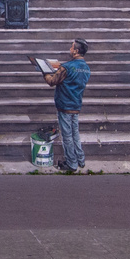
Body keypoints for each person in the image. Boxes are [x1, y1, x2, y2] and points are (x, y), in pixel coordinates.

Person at [41, 38, 92, 171]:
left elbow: (52, 81)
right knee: (75, 134)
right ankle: (81, 160)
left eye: (71, 47)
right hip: (76, 105)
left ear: (76, 51)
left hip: (64, 105)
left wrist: (45, 71)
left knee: (67, 136)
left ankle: (71, 163)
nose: (70, 49)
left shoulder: (67, 67)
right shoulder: (86, 68)